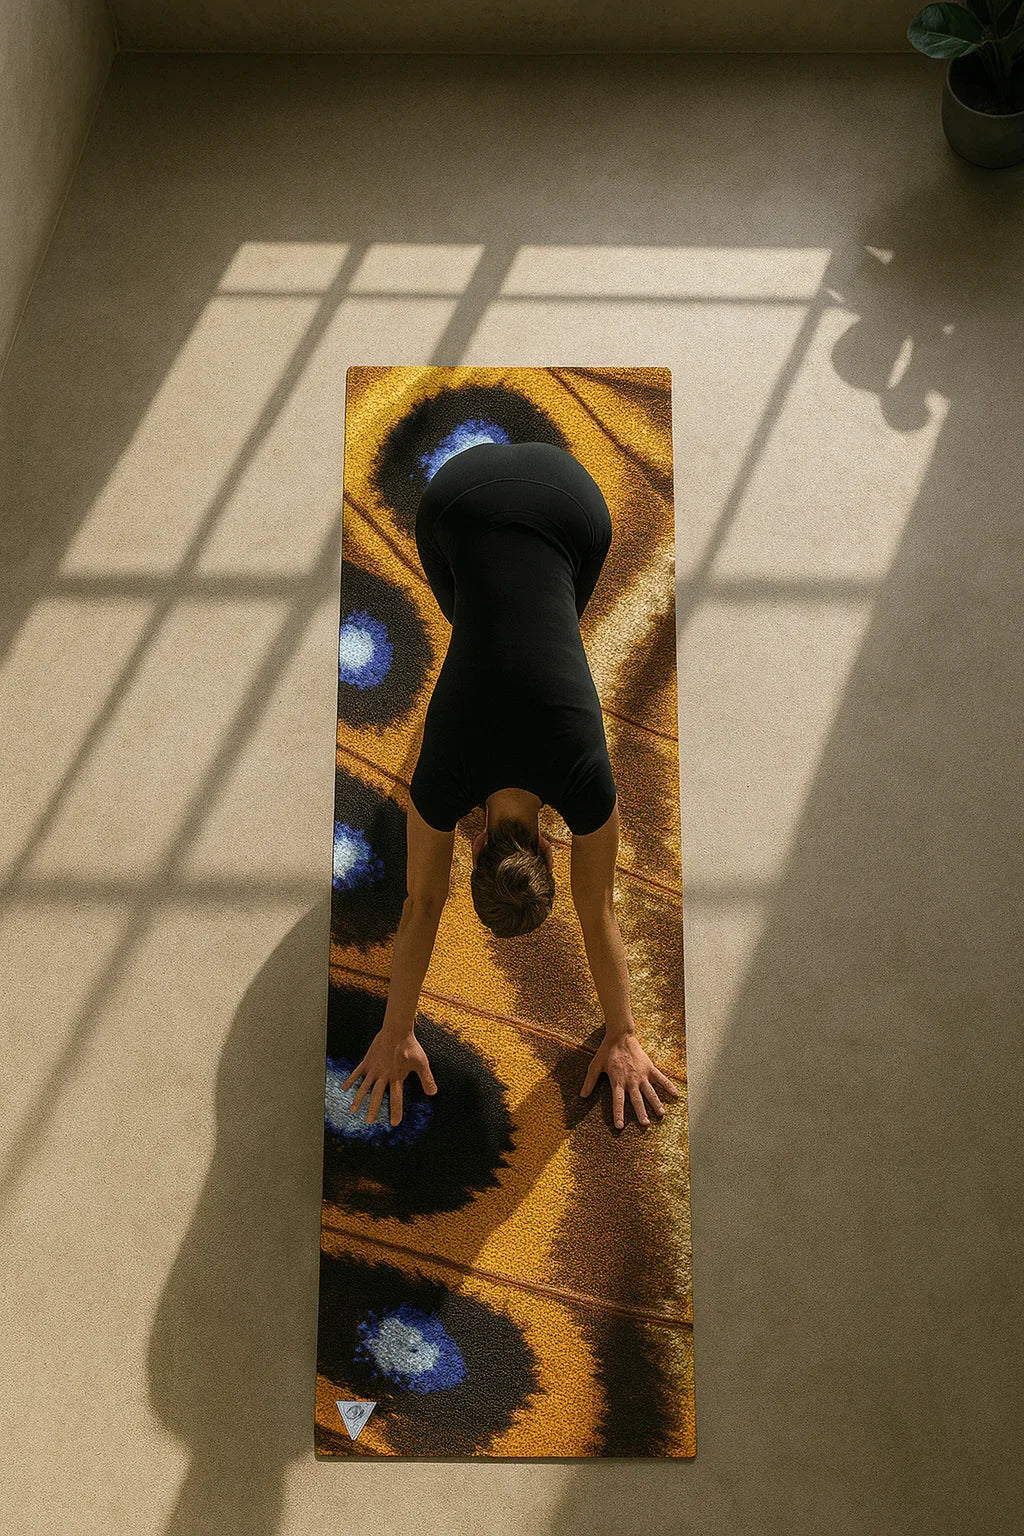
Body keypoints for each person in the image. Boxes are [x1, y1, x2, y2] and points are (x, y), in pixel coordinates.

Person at [341, 440, 679, 1133]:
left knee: (540, 600)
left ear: (549, 849)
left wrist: (624, 1033)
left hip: (575, 500)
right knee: (470, 605)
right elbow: (422, 903)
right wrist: (394, 1030)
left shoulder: (585, 781)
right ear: (480, 842)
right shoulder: (443, 783)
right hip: (456, 496)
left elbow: (598, 913)